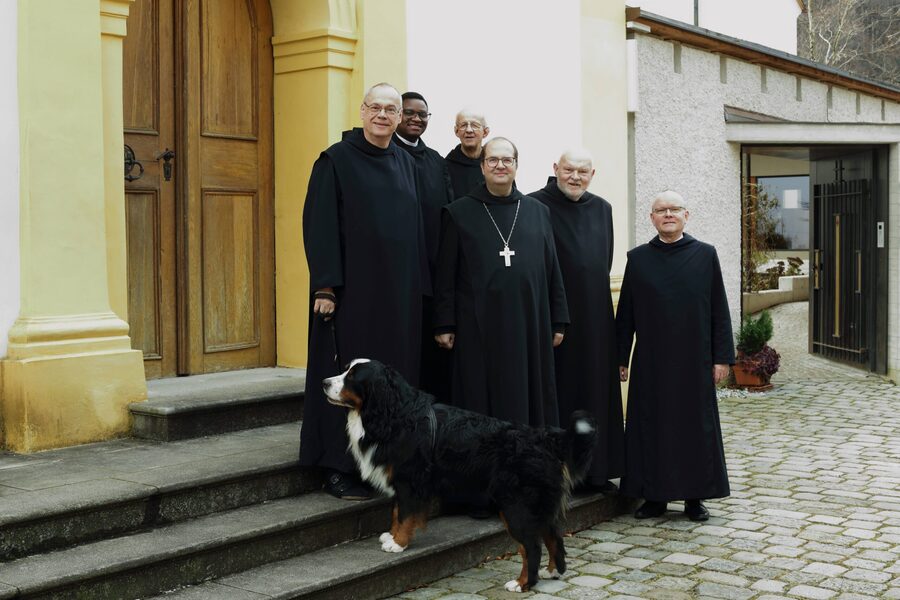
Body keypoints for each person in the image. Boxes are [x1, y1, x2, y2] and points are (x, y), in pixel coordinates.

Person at [300, 82, 428, 500]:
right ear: (362, 111)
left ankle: (383, 462)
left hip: (397, 296)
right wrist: (325, 286)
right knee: (345, 381)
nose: (383, 115)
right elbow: (319, 226)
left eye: (391, 110)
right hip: (349, 295)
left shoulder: (407, 163)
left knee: (387, 383)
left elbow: (417, 231)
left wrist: (420, 290)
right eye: (376, 107)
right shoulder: (335, 161)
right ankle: (337, 467)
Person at [615, 190, 734, 521]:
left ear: (686, 215)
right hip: (651, 361)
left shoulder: (705, 255)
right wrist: (621, 357)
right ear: (651, 218)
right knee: (651, 428)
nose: (668, 214)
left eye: (674, 209)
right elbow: (626, 313)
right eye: (660, 210)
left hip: (694, 360)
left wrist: (721, 358)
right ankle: (654, 497)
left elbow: (719, 311)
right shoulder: (637, 259)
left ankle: (695, 498)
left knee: (695, 428)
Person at [434, 137, 569, 428]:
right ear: (482, 167)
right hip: (477, 324)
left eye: (507, 160)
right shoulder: (458, 212)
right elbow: (446, 273)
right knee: (479, 396)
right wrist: (444, 323)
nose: (500, 165)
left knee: (530, 394)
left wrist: (558, 319)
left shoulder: (538, 211)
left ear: (516, 166)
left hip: (530, 322)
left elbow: (552, 268)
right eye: (493, 160)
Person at [529, 149, 625, 493]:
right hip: (554, 320)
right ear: (555, 169)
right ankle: (555, 473)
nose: (575, 177)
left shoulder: (602, 209)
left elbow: (603, 262)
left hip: (596, 320)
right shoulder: (534, 206)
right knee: (560, 395)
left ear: (592, 174)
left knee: (594, 394)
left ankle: (595, 471)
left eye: (583, 172)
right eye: (568, 170)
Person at [393, 92, 454, 402]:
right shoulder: (384, 153)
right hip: (395, 274)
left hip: (431, 272)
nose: (416, 119)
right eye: (409, 112)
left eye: (423, 114)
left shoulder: (435, 161)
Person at [445, 109, 489, 199]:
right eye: (463, 125)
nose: (469, 130)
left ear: (485, 132)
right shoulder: (445, 167)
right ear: (456, 131)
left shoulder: (495, 164)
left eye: (475, 125)